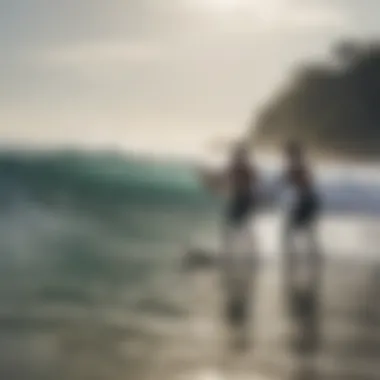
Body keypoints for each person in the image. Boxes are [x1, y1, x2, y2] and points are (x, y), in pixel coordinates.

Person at [199, 143, 258, 335]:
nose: (234, 157)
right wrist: (209, 180)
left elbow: (225, 181)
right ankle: (244, 254)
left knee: (231, 229)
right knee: (237, 229)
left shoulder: (241, 168)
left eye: (236, 154)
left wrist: (209, 179)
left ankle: (233, 255)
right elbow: (226, 182)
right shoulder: (245, 168)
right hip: (245, 201)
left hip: (243, 200)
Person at [280, 141, 321, 314]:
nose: (286, 157)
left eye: (288, 153)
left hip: (307, 202)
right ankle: (306, 258)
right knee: (301, 232)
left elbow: (301, 182)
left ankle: (297, 259)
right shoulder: (298, 166)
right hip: (308, 202)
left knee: (293, 231)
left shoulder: (297, 166)